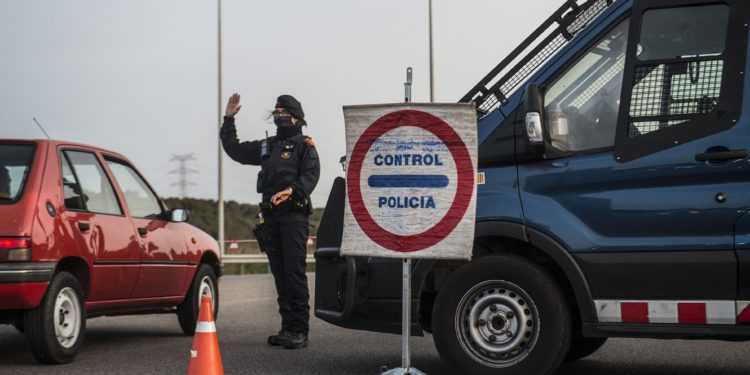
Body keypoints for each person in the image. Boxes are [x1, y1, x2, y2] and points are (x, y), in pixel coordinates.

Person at [220, 93, 320, 349]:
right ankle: (287, 328)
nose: (278, 116)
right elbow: (236, 151)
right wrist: (228, 120)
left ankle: (299, 330)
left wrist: (294, 190)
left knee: (294, 274)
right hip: (270, 219)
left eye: (282, 112)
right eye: (275, 113)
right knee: (280, 275)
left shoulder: (304, 145)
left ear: (295, 117)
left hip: (294, 218)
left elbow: (311, 174)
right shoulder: (268, 146)